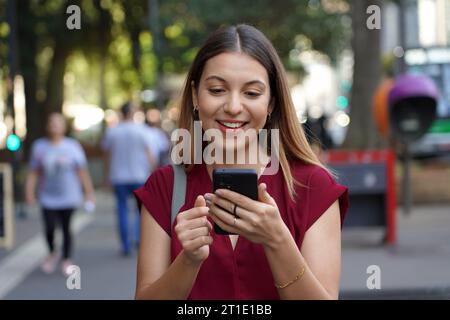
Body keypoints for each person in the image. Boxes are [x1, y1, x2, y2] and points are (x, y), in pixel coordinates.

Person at [134, 24, 349, 300]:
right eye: (217, 90)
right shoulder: (165, 186)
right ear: (195, 95)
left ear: (271, 102)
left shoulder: (312, 186)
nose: (234, 107)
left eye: (251, 93)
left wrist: (277, 240)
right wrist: (188, 260)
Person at [25, 112, 95, 276]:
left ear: (64, 126)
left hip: (69, 196)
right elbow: (34, 172)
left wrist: (89, 193)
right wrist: (29, 192)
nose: (54, 125)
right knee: (49, 228)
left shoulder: (72, 146)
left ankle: (66, 259)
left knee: (66, 228)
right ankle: (52, 252)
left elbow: (82, 172)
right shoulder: (39, 147)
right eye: (51, 122)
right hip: (47, 196)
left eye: (58, 123)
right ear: (47, 126)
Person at [101, 102, 157, 256]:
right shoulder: (142, 131)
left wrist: (106, 176)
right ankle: (140, 240)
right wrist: (154, 173)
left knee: (122, 210)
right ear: (133, 112)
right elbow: (150, 154)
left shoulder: (112, 132)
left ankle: (125, 245)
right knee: (141, 211)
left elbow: (107, 156)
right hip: (140, 176)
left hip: (118, 177)